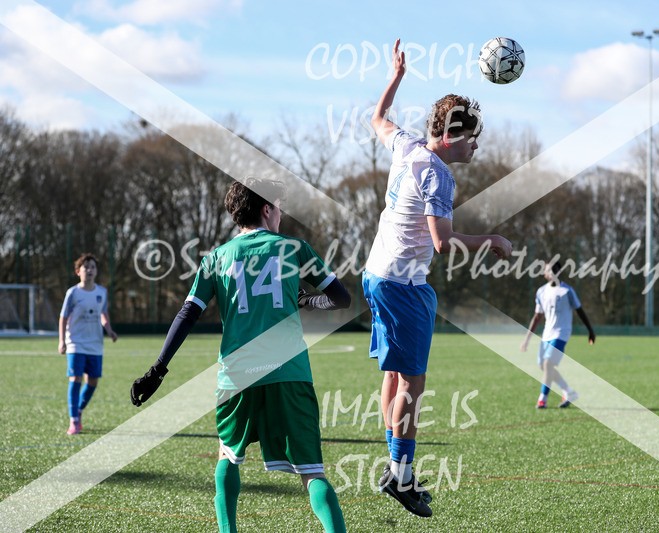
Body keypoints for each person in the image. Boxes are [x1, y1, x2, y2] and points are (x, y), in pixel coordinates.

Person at [130, 179, 350, 533]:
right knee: (312, 472)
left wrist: (157, 370)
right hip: (289, 373)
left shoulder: (216, 258)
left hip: (237, 375)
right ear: (267, 209)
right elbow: (342, 299)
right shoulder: (294, 248)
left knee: (227, 457)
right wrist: (308, 300)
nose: (280, 215)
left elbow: (188, 313)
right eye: (279, 207)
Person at [363, 38, 513, 518]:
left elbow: (377, 118)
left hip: (377, 275)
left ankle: (394, 466)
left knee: (393, 374)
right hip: (404, 286)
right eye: (472, 138)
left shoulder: (407, 146)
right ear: (451, 135)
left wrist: (396, 77)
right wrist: (489, 239)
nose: (475, 145)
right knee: (413, 382)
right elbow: (443, 241)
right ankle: (402, 477)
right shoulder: (438, 176)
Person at [520, 260, 595, 409]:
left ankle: (543, 399)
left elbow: (580, 311)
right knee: (544, 366)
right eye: (546, 270)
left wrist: (590, 330)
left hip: (561, 333)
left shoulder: (567, 291)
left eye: (549, 270)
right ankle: (569, 392)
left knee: (548, 364)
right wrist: (527, 339)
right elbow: (537, 317)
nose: (545, 273)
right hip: (547, 334)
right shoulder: (541, 291)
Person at [58, 252, 118, 435]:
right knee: (75, 378)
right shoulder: (73, 293)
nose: (90, 270)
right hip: (75, 342)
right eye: (86, 267)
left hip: (95, 344)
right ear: (78, 271)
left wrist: (109, 330)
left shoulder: (102, 292)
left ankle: (79, 410)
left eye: (93, 267)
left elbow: (103, 314)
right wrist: (62, 341)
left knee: (92, 381)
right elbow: (63, 317)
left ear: (96, 271)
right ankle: (73, 421)